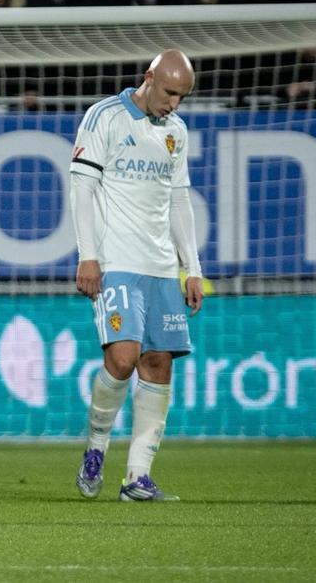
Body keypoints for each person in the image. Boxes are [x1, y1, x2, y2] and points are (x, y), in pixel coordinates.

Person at [70, 49, 204, 502]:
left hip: (162, 267)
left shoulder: (177, 132)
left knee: (158, 363)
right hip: (116, 261)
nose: (174, 105)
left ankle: (137, 477)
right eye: (169, 93)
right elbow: (82, 188)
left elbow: (180, 200)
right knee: (123, 359)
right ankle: (97, 444)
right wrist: (89, 256)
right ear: (149, 78)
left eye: (182, 97)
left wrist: (192, 269)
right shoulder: (104, 117)